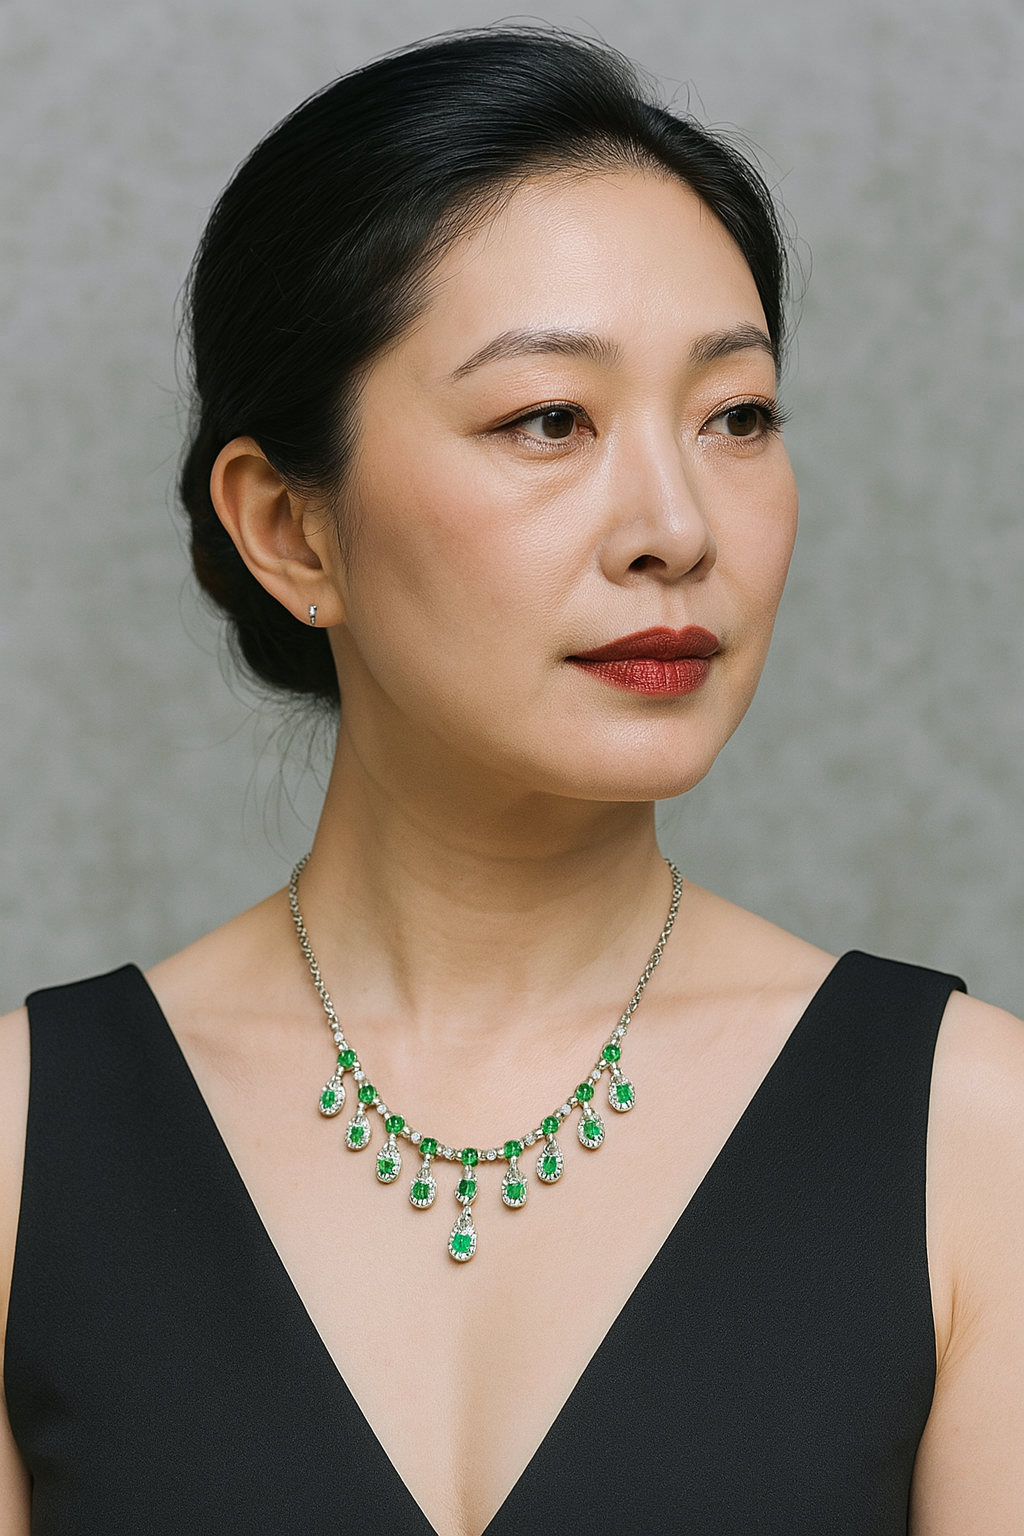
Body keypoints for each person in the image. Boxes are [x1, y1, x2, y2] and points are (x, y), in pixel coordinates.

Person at [1, 25, 1022, 1536]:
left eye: (736, 417)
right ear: (288, 526)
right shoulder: (22, 1149)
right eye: (550, 419)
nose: (676, 526)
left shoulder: (980, 1139)